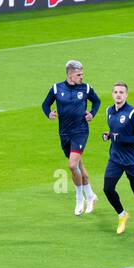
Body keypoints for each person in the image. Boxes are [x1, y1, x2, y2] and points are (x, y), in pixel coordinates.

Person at [41, 60, 101, 215]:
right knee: (79, 166)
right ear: (69, 74)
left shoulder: (86, 88)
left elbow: (97, 101)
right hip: (64, 133)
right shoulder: (56, 88)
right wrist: (49, 114)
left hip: (80, 131)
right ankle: (91, 195)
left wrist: (92, 113)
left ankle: (79, 199)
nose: (82, 77)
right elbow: (45, 104)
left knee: (72, 165)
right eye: (79, 74)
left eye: (82, 74)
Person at [102, 82, 134, 236]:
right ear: (112, 94)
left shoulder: (133, 113)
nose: (118, 95)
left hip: (132, 160)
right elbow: (115, 131)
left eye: (121, 92)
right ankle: (122, 215)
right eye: (115, 92)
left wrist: (123, 138)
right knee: (107, 189)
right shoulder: (109, 111)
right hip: (115, 158)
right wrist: (109, 135)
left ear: (126, 95)